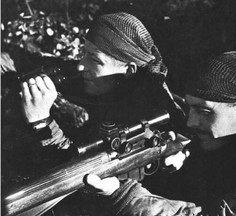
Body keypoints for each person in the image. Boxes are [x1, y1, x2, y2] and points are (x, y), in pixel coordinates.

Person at [19, 12, 186, 216]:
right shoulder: (108, 86)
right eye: (84, 53)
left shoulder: (145, 117)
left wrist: (41, 122)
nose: (81, 65)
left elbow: (75, 176)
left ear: (129, 70)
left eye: (94, 60)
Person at [86, 51, 236, 215]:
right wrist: (187, 153)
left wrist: (123, 195)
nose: (191, 122)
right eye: (191, 108)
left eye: (204, 111)